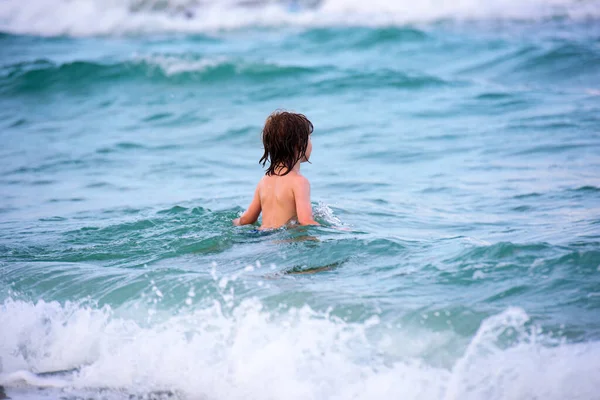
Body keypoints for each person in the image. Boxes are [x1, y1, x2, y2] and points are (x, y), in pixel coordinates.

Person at [233, 111, 320, 229]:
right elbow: (305, 221)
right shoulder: (299, 182)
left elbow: (246, 219)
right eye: (309, 137)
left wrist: (234, 222)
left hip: (259, 236)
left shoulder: (264, 180)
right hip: (281, 239)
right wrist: (336, 229)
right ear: (300, 143)